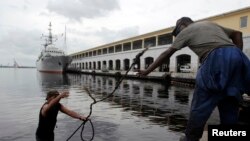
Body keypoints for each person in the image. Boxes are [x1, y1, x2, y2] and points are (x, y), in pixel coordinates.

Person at [138, 17, 250, 141]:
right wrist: (234, 56)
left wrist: (147, 71)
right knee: (230, 99)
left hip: (215, 58)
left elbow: (167, 53)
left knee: (201, 103)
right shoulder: (210, 24)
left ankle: (191, 137)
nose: (178, 35)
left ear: (183, 24)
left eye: (177, 31)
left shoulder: (187, 30)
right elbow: (238, 34)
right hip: (238, 57)